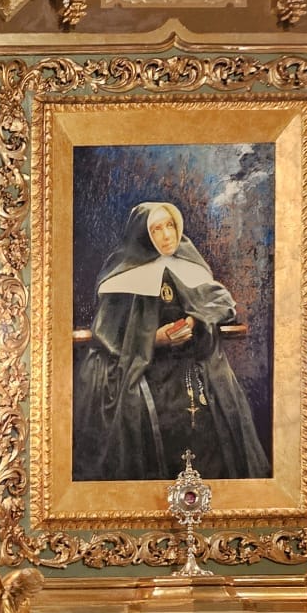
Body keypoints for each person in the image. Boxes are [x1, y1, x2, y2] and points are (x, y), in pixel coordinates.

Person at [75, 199, 267, 483]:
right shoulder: (121, 276)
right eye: (156, 229)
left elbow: (222, 304)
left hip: (192, 369)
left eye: (170, 226)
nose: (167, 235)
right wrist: (154, 339)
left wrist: (195, 321)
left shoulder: (189, 266)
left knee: (213, 428)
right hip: (143, 371)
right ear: (143, 234)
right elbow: (108, 333)